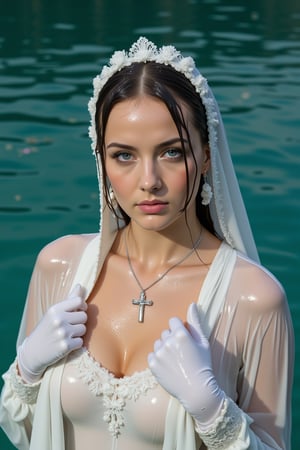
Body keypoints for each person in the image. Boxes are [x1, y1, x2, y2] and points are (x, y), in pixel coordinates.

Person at [0, 37, 294, 450]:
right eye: (124, 155)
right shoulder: (59, 266)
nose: (149, 180)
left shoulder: (253, 300)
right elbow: (23, 428)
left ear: (206, 155)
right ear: (100, 158)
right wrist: (26, 372)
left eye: (171, 152)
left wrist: (212, 411)